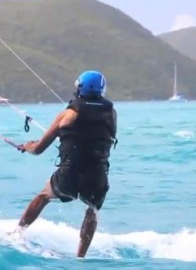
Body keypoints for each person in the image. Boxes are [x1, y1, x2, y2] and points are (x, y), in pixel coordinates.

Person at [15, 70, 118, 258]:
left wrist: (28, 146)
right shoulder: (112, 113)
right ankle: (80, 257)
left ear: (79, 88)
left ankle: (17, 234)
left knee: (43, 196)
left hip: (70, 173)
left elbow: (39, 149)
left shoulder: (68, 114)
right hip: (97, 175)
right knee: (92, 210)